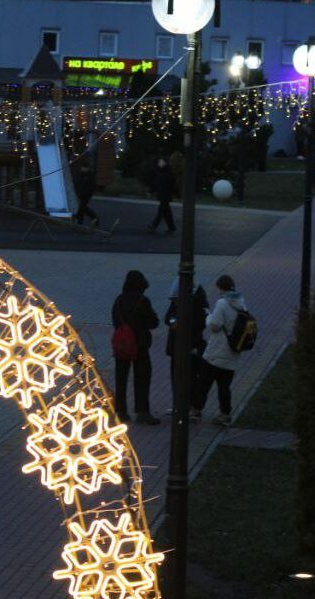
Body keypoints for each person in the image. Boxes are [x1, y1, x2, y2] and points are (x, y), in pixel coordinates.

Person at [111, 270, 161, 425]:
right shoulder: (142, 300)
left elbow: (114, 320)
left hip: (122, 346)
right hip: (139, 345)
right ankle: (142, 412)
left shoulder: (119, 300)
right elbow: (153, 322)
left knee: (121, 378)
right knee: (142, 377)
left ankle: (121, 411)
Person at [202, 275, 247, 426]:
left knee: (205, 382)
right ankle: (225, 413)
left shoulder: (222, 303)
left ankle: (196, 409)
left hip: (218, 350)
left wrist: (208, 316)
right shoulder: (241, 302)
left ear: (220, 287)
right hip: (233, 350)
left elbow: (215, 325)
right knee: (224, 386)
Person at [163, 279, 208, 420]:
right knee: (176, 375)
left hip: (192, 345)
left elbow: (201, 322)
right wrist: (173, 323)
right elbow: (167, 317)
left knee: (192, 376)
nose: (175, 302)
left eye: (176, 300)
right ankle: (179, 404)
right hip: (176, 345)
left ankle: (192, 406)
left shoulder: (199, 302)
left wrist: (182, 326)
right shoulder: (179, 297)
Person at [147, 157, 176, 233]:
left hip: (165, 195)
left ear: (164, 163)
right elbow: (156, 184)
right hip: (163, 195)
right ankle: (171, 227)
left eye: (161, 162)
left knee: (162, 211)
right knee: (166, 213)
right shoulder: (160, 172)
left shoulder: (167, 172)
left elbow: (172, 184)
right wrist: (151, 191)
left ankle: (154, 226)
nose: (159, 163)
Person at [73, 158, 99, 227]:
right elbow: (79, 183)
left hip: (86, 194)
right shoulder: (82, 174)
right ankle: (84, 220)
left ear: (87, 168)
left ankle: (81, 220)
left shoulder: (90, 175)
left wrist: (88, 192)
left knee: (82, 207)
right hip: (82, 194)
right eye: (82, 168)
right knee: (82, 208)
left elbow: (92, 186)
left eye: (83, 168)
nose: (82, 169)